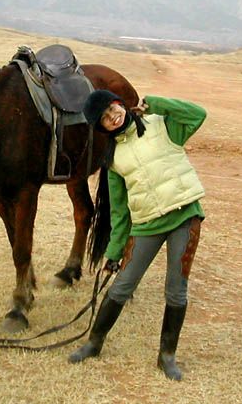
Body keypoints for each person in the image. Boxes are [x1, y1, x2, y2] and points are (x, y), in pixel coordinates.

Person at [68, 89, 206, 381]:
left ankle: (167, 356)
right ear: (102, 128)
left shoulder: (161, 123)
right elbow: (119, 212)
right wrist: (115, 252)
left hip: (184, 216)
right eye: (105, 118)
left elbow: (198, 115)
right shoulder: (113, 159)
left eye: (112, 108)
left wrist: (157, 102)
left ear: (120, 103)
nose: (112, 116)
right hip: (146, 225)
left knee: (176, 289)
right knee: (121, 287)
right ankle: (94, 343)